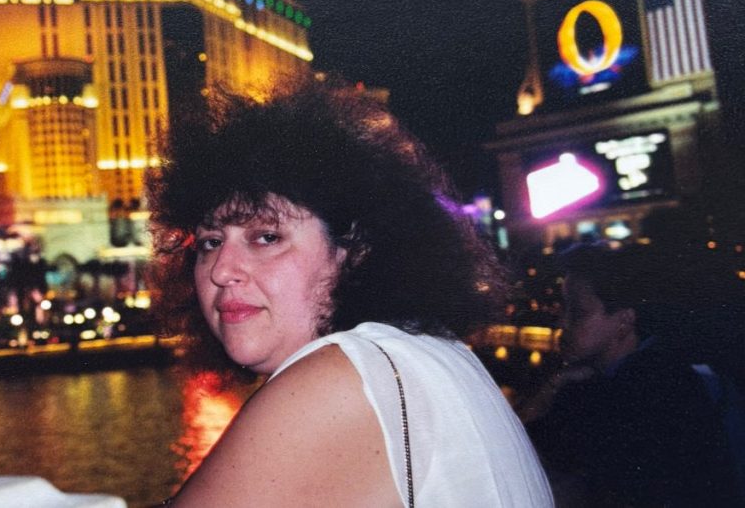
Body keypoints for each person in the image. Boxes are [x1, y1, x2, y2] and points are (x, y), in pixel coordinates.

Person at [148, 79, 552, 506]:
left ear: (355, 250)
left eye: (267, 237)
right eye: (210, 242)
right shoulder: (420, 355)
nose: (222, 270)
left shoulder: (340, 379)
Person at [521, 242, 742, 506]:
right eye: (563, 309)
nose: (563, 323)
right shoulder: (656, 373)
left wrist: (552, 387)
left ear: (624, 321)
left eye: (577, 313)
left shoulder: (638, 393)